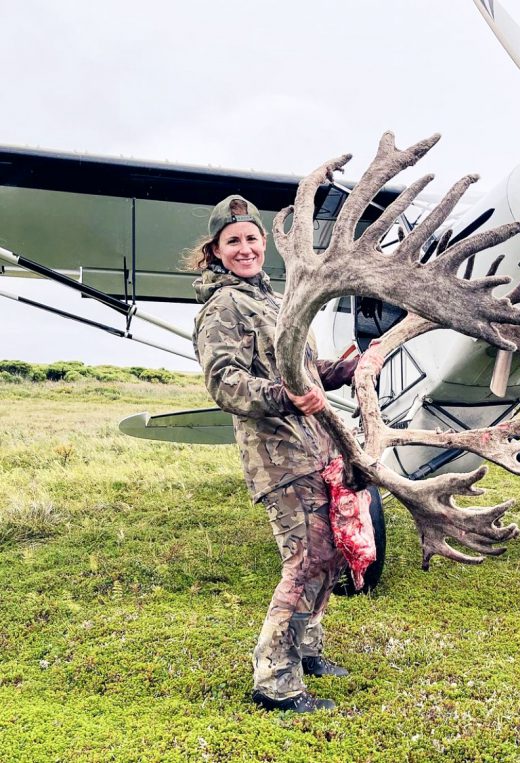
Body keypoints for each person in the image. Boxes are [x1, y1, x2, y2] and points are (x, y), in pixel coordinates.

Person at [187, 195, 383, 713]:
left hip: (313, 446)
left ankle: (307, 650)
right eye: (233, 241)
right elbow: (224, 383)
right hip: (278, 457)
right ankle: (275, 681)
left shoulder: (273, 300)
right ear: (216, 251)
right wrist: (285, 396)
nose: (246, 247)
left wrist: (346, 369)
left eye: (252, 238)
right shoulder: (223, 308)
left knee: (329, 556)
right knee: (305, 561)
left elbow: (304, 370)